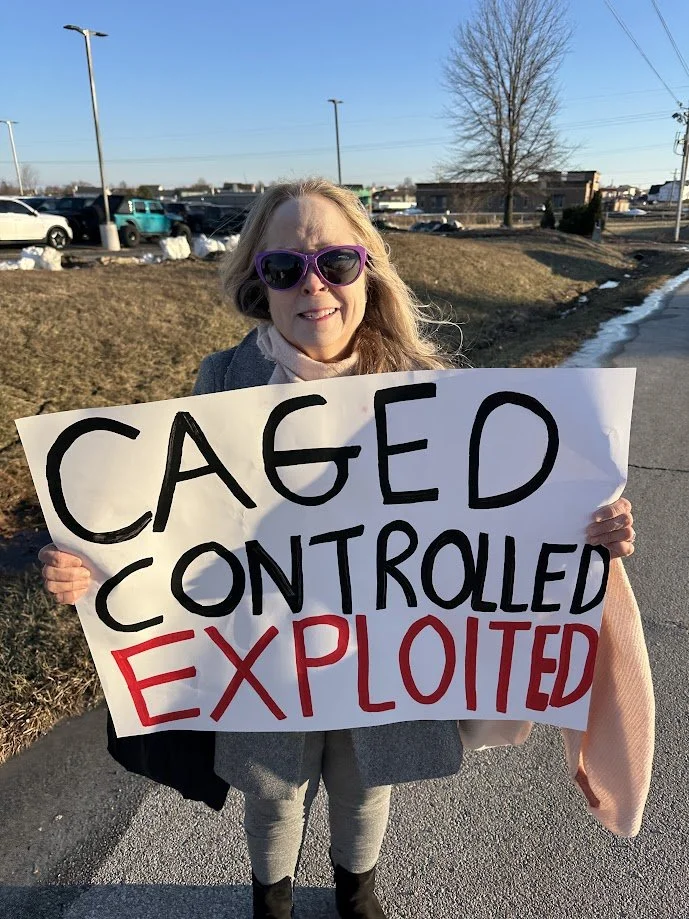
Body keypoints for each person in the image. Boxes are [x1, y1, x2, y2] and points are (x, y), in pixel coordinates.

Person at [39, 178, 645, 919]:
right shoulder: (222, 381)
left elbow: (501, 514)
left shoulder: (428, 390)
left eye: (336, 262)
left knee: (367, 782)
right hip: (263, 648)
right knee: (271, 791)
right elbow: (165, 521)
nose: (314, 285)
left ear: (369, 269)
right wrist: (91, 567)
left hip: (385, 649)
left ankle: (355, 893)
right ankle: (274, 899)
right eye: (286, 267)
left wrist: (582, 530)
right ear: (259, 281)